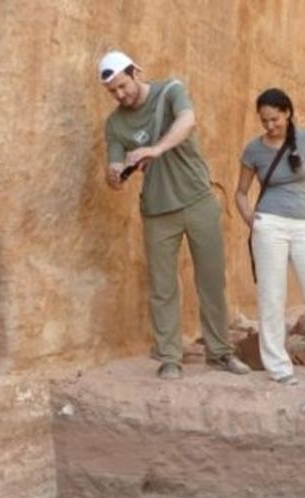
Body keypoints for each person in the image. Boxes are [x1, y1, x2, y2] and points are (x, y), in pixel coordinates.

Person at [100, 50, 250, 381]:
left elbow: (188, 121)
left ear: (135, 72)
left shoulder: (170, 91)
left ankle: (220, 353)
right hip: (156, 210)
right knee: (163, 287)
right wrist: (115, 173)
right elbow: (112, 173)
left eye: (123, 86)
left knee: (212, 281)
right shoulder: (114, 124)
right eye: (113, 92)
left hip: (197, 199)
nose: (121, 95)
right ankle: (170, 358)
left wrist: (156, 148)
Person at [235, 87, 305, 386]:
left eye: (274, 119)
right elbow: (240, 193)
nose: (270, 126)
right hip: (269, 224)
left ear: (287, 113)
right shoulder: (253, 150)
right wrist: (251, 220)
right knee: (272, 297)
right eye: (264, 121)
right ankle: (279, 367)